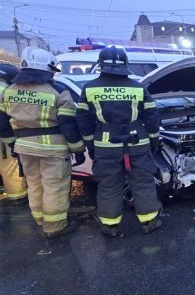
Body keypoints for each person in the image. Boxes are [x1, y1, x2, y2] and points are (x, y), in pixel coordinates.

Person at [76, 46, 162, 237]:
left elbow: (83, 120)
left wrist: (90, 144)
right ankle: (149, 222)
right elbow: (152, 117)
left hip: (106, 145)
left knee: (109, 184)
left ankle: (110, 226)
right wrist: (154, 140)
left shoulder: (90, 88)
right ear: (125, 64)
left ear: (101, 64)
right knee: (143, 182)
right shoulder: (138, 88)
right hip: (137, 143)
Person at [0, 47, 86, 238]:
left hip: (24, 148)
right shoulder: (57, 91)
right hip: (53, 149)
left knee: (34, 184)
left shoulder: (9, 91)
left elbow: (2, 122)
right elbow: (68, 124)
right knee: (54, 186)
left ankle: (40, 219)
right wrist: (78, 148)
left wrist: (12, 144)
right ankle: (55, 226)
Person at [0, 63, 28, 206]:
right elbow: (3, 119)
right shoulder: (5, 91)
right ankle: (18, 196)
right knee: (10, 166)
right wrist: (11, 141)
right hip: (3, 136)